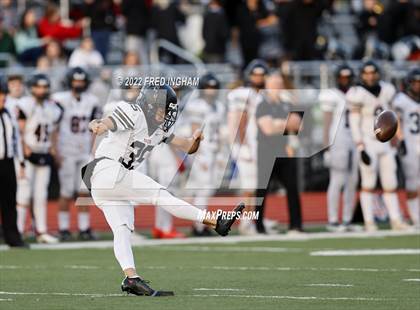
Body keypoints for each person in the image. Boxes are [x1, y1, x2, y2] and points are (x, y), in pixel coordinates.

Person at [83, 84, 244, 296]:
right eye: (161, 109)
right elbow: (107, 123)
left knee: (122, 229)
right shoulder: (133, 112)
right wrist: (98, 125)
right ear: (149, 104)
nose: (164, 114)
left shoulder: (159, 129)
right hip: (108, 170)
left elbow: (187, 146)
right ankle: (216, 222)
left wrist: (195, 140)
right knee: (161, 195)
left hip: (104, 181)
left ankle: (131, 279)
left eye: (167, 110)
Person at [347, 60, 410, 231]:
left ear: (378, 73)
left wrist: (401, 138)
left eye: (373, 72)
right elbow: (354, 121)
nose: (370, 76)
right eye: (367, 73)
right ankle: (369, 221)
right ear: (362, 74)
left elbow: (394, 116)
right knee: (368, 182)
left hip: (387, 144)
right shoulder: (356, 93)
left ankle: (396, 220)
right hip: (368, 142)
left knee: (391, 182)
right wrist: (360, 147)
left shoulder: (387, 90)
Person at [52, 67, 101, 241]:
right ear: (69, 81)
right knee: (65, 192)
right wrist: (55, 149)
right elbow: (54, 126)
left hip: (84, 151)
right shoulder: (60, 99)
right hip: (66, 151)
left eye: (81, 81)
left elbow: (96, 128)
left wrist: (94, 150)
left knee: (84, 192)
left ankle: (84, 228)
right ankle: (64, 228)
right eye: (75, 81)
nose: (78, 84)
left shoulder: (92, 101)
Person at [16, 74, 63, 243]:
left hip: (44, 151)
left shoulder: (53, 107)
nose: (41, 90)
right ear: (32, 87)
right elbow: (19, 131)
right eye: (38, 87)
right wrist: (24, 149)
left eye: (44, 87)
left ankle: (41, 230)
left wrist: (54, 149)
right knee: (23, 193)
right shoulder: (24, 104)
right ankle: (18, 230)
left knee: (41, 194)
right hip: (27, 154)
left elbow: (53, 132)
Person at [255, 72, 303, 234]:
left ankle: (296, 225)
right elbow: (267, 129)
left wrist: (278, 124)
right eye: (274, 84)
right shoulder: (263, 104)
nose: (277, 88)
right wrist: (286, 124)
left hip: (284, 151)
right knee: (262, 190)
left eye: (279, 85)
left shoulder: (286, 104)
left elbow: (298, 125)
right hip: (266, 152)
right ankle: (258, 226)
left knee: (293, 188)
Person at [227, 59, 267, 235]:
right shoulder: (245, 94)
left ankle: (248, 221)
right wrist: (243, 145)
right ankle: (244, 222)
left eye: (261, 75)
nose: (258, 78)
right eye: (255, 75)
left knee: (253, 188)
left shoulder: (260, 94)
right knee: (249, 188)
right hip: (246, 145)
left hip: (256, 144)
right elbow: (241, 122)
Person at [184, 73, 225, 236]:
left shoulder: (219, 106)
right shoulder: (196, 106)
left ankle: (200, 223)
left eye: (214, 88)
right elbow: (194, 131)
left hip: (214, 150)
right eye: (208, 88)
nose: (211, 91)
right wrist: (198, 155)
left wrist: (222, 154)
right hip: (202, 151)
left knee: (207, 190)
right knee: (202, 190)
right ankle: (199, 225)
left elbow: (220, 133)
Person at [319, 64, 359, 232]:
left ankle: (347, 219)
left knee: (353, 180)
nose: (345, 81)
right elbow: (326, 123)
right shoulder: (331, 95)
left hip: (355, 140)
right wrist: (326, 147)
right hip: (337, 141)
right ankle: (333, 219)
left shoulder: (357, 93)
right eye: (342, 78)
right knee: (337, 180)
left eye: (347, 78)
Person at [0, 78, 26, 248]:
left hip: (7, 162)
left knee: (10, 201)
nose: (2, 100)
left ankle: (13, 238)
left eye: (3, 97)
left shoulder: (9, 113)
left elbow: (16, 139)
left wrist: (21, 162)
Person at [393, 67, 420, 228]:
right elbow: (395, 121)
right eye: (415, 83)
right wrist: (400, 139)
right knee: (411, 181)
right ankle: (415, 217)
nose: (418, 86)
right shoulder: (401, 100)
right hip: (409, 143)